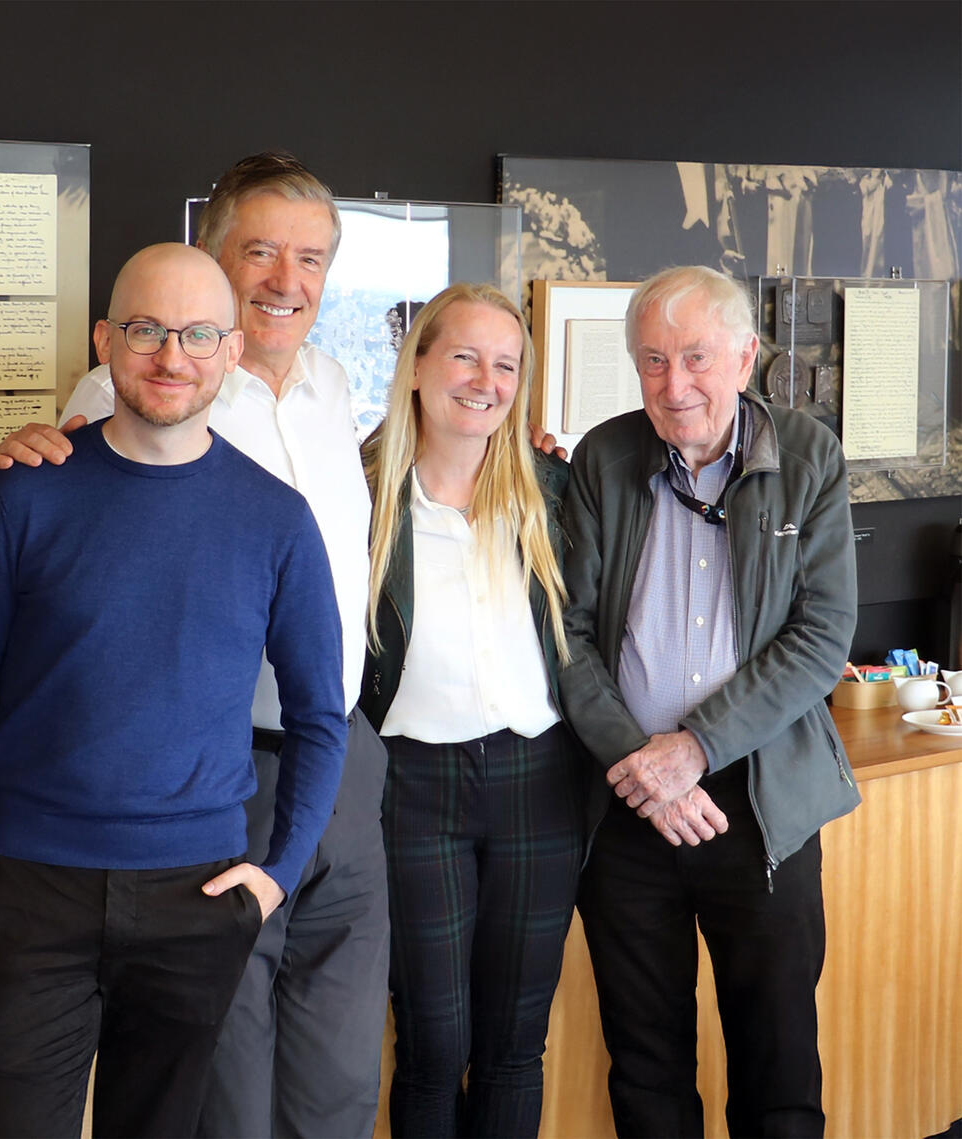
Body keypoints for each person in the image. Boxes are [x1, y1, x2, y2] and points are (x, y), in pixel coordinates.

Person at [0, 153, 389, 1139]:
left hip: (341, 754)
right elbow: (70, 493)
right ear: (209, 253)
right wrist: (24, 445)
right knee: (222, 1094)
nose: (287, 279)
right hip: (215, 782)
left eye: (311, 258)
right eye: (261, 252)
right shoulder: (142, 384)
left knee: (338, 1080)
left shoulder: (335, 385)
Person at [0, 243, 347, 1138]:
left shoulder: (277, 518)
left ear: (232, 351)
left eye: (198, 334)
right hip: (29, 892)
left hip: (197, 899)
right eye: (147, 330)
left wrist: (277, 875)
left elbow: (319, 716)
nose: (172, 356)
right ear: (106, 340)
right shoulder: (23, 496)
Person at [559, 265, 860, 1138]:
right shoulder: (604, 457)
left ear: (745, 356)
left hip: (760, 805)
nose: (674, 383)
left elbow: (821, 636)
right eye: (653, 360)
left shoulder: (807, 457)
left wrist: (694, 748)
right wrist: (642, 764)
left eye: (695, 356)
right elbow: (566, 634)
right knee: (646, 1069)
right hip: (630, 807)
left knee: (778, 1067)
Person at [360, 283, 584, 1138]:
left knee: (513, 1046)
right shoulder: (362, 493)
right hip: (412, 788)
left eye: (506, 364)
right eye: (464, 356)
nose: (486, 381)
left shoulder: (553, 489)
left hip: (539, 782)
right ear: (417, 365)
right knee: (432, 1042)